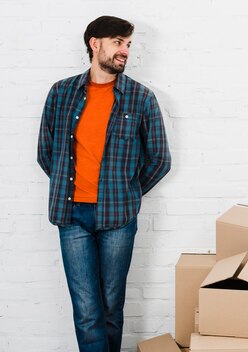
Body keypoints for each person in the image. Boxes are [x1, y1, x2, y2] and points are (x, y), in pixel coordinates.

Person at [37, 16, 171, 352]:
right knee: (86, 311)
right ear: (95, 44)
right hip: (71, 218)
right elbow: (46, 153)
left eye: (128, 44)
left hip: (118, 221)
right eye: (117, 42)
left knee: (111, 308)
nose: (125, 50)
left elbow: (159, 159)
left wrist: (126, 192)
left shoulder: (141, 99)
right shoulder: (61, 93)